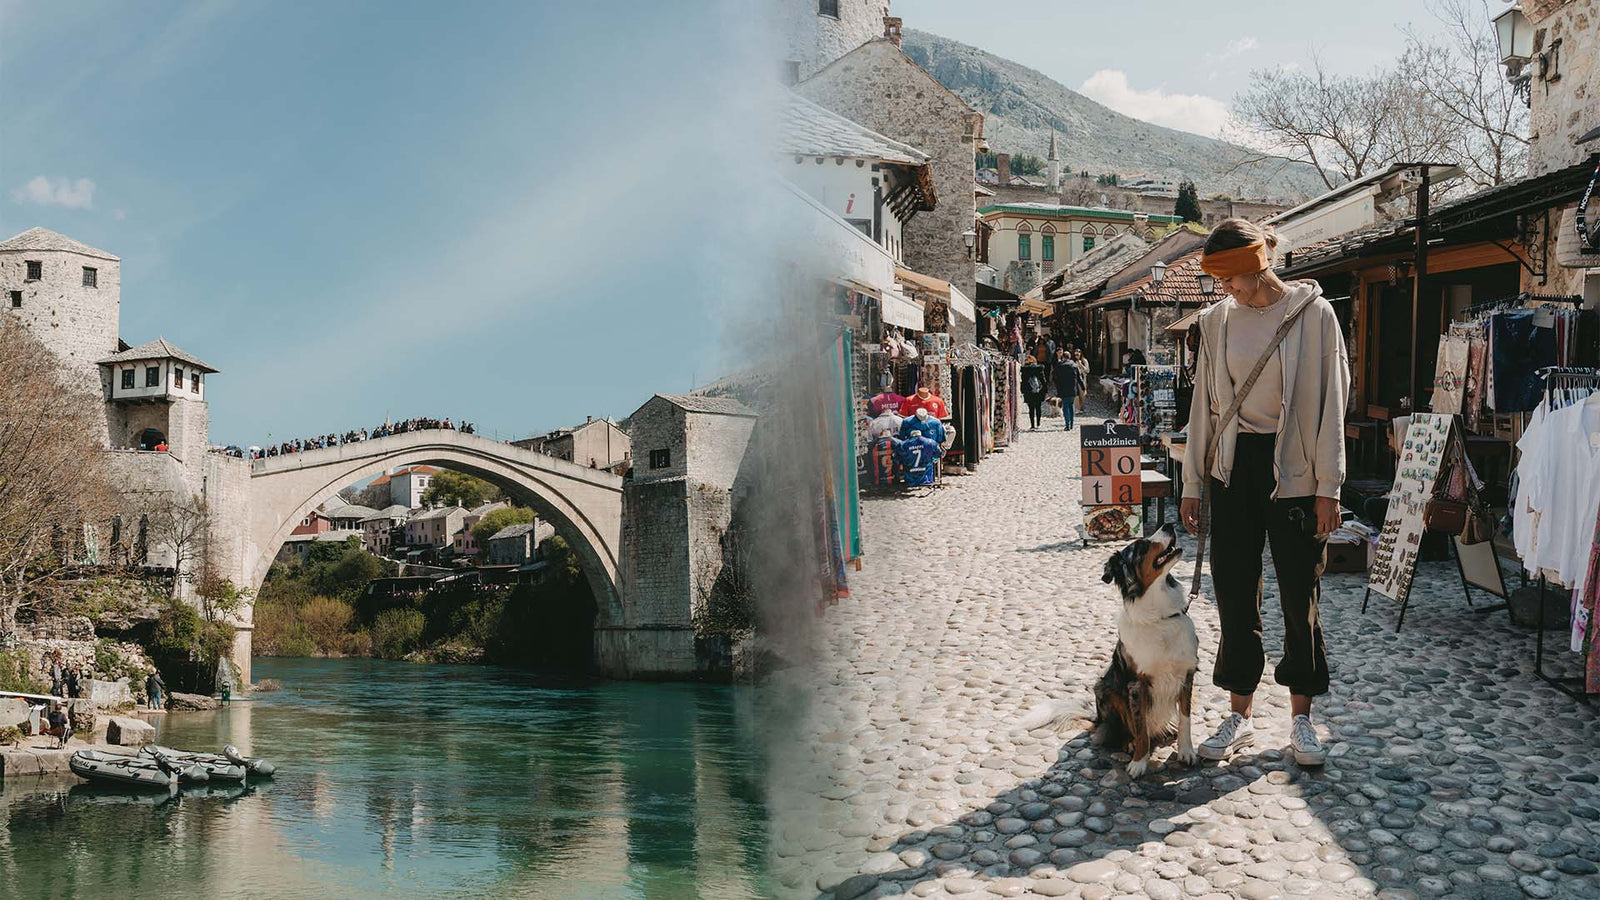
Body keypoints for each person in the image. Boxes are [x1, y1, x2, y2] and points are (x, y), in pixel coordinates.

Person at [1178, 218, 1349, 768]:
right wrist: (1193, 483)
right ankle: (1240, 715)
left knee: (1300, 593)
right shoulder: (1217, 323)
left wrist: (1329, 486)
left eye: (1231, 279)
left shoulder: (1315, 316)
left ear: (1257, 266)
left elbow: (1332, 408)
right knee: (1233, 590)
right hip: (1234, 468)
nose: (1225, 290)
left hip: (1295, 470)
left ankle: (1302, 718)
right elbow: (1204, 408)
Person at [1053, 349, 1082, 430]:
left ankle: (1067, 424)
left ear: (1063, 357)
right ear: (1070, 357)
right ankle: (1072, 424)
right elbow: (1079, 377)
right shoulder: (1074, 365)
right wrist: (1083, 387)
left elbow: (1054, 376)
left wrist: (1057, 385)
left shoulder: (1059, 365)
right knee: (1071, 405)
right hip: (1072, 388)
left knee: (1065, 406)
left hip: (1063, 388)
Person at [1021, 361, 1047, 430]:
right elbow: (1043, 381)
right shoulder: (1039, 370)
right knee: (1038, 408)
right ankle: (1038, 424)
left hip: (1029, 392)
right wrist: (1045, 391)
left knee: (1031, 409)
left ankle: (1032, 425)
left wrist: (1023, 391)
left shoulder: (1025, 371)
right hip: (1039, 392)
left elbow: (1023, 383)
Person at [1074, 349, 1089, 414]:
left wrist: (1081, 365)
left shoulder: (1084, 361)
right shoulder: (1073, 361)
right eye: (1075, 354)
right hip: (1075, 379)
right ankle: (1077, 408)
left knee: (1082, 394)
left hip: (1082, 378)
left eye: (1078, 354)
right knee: (1076, 394)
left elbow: (1087, 370)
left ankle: (1082, 408)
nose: (1077, 355)